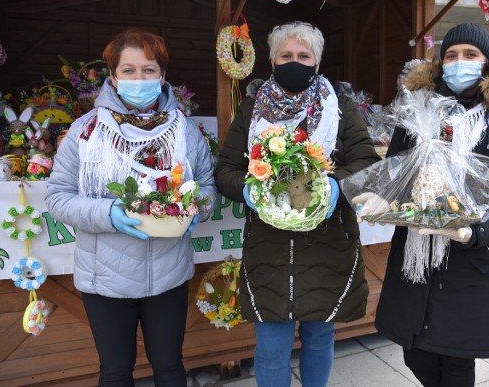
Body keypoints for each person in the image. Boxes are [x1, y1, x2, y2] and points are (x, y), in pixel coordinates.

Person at [45, 28, 217, 387]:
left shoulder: (184, 132)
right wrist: (109, 214)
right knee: (115, 371)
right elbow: (58, 196)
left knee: (169, 365)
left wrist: (195, 211)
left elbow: (207, 187)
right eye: (129, 70)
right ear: (113, 77)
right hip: (105, 276)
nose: (139, 78)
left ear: (162, 76)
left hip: (168, 272)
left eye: (149, 70)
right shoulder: (85, 132)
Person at [369, 23, 489, 386]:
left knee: (456, 361)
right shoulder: (419, 112)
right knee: (416, 354)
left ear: (487, 63)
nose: (460, 63)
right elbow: (396, 170)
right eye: (452, 55)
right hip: (417, 256)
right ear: (440, 63)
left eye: (471, 55)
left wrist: (472, 232)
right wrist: (383, 196)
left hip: (472, 262)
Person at [214, 21, 381, 387]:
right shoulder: (252, 109)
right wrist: (249, 191)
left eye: (304, 56)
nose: (295, 62)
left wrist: (335, 187)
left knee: (319, 339)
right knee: (271, 348)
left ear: (317, 63)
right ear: (272, 62)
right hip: (268, 248)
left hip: (327, 246)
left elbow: (367, 163)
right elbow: (225, 169)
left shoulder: (340, 108)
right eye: (286, 55)